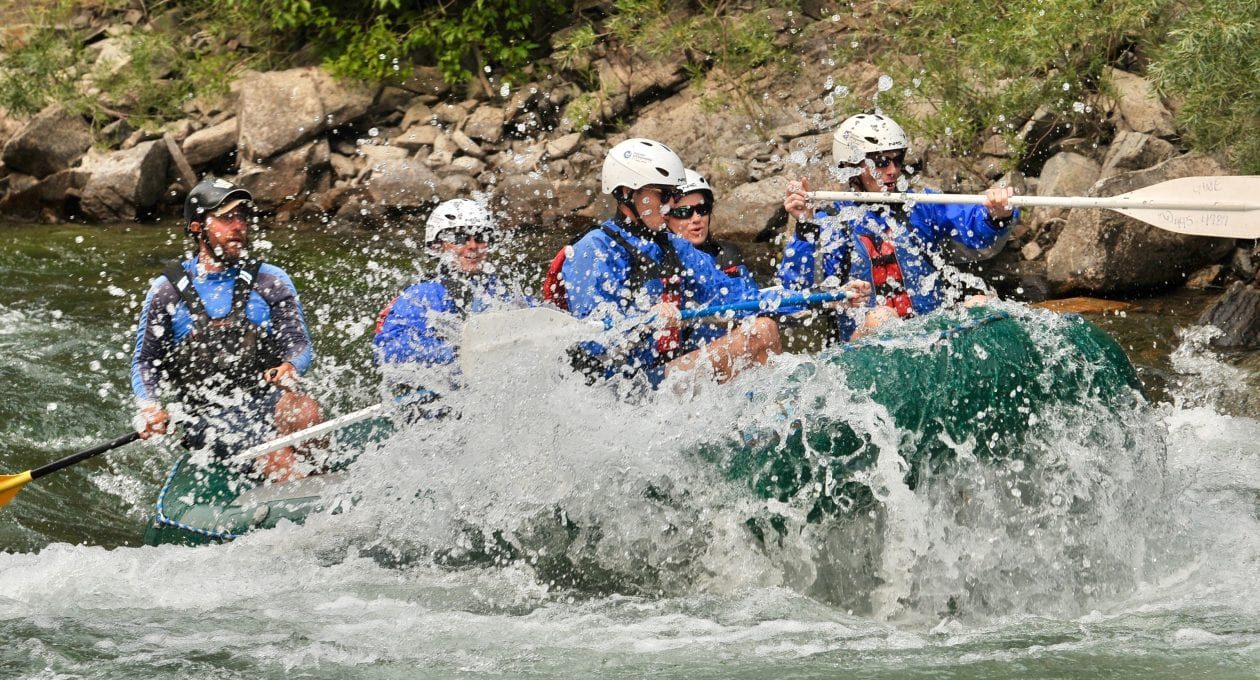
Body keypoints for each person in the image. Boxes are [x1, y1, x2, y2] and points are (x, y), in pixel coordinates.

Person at [550, 137, 782, 389]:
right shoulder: (593, 249)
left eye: (674, 195)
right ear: (627, 193)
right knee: (761, 331)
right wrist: (645, 320)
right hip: (617, 387)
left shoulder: (673, 246)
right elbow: (592, 339)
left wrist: (798, 298)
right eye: (663, 195)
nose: (670, 206)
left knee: (761, 327)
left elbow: (734, 296)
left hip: (662, 374)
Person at [131, 177, 322, 482]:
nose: (238, 226)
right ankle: (299, 495)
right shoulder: (167, 291)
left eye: (242, 217)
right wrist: (151, 408)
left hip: (265, 399)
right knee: (277, 454)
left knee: (306, 411)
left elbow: (298, 344)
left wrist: (290, 366)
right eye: (226, 217)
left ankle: (322, 479)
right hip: (206, 416)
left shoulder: (269, 280)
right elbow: (144, 362)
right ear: (197, 227)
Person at [777, 112, 1017, 341]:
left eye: (898, 160)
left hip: (927, 335)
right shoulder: (833, 220)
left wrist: (997, 212)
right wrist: (805, 225)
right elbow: (799, 289)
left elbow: (973, 226)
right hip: (864, 344)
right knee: (882, 318)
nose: (893, 171)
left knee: (979, 305)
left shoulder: (920, 205)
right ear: (852, 166)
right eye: (881, 162)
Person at [373, 198, 525, 373]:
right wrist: (456, 351)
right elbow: (387, 350)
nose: (473, 246)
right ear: (438, 246)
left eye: (481, 237)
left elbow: (532, 312)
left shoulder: (494, 289)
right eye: (459, 238)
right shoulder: (425, 293)